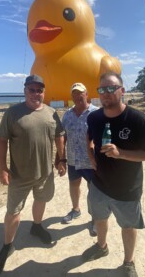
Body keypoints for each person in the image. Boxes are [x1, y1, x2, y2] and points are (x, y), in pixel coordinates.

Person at [82, 72, 145, 277]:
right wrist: (90, 156)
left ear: (122, 91)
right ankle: (101, 246)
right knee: (99, 218)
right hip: (98, 185)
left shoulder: (137, 119)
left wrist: (121, 153)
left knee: (128, 226)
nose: (105, 94)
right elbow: (88, 138)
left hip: (127, 189)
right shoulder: (94, 117)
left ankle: (128, 262)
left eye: (111, 88)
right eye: (101, 90)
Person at [0, 75, 66, 276]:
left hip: (45, 173)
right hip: (19, 175)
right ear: (24, 91)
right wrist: (2, 168)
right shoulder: (13, 113)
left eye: (39, 90)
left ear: (44, 92)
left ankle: (37, 226)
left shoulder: (51, 113)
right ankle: (7, 246)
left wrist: (61, 158)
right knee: (13, 211)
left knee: (41, 200)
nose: (35, 93)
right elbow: (1, 141)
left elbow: (59, 136)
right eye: (31, 90)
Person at [60, 83, 98, 236]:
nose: (77, 96)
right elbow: (63, 137)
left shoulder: (96, 113)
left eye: (80, 93)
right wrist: (60, 159)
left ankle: (95, 218)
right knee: (74, 185)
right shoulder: (67, 114)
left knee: (93, 190)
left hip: (90, 161)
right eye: (74, 94)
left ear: (86, 94)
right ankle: (75, 210)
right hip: (73, 159)